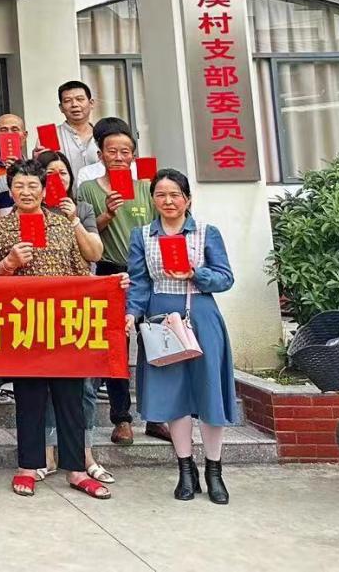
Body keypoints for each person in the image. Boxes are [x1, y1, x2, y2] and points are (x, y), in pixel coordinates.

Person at [0, 159, 109, 500]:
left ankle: (77, 470)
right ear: (10, 191)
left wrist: (110, 287)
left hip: (62, 324)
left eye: (33, 186)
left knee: (70, 398)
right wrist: (8, 264)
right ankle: (28, 467)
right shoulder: (0, 228)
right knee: (29, 397)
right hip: (23, 324)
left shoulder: (62, 225)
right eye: (19, 186)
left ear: (44, 190)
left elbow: (81, 273)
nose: (26, 192)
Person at [126, 169, 238, 505]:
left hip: (201, 315)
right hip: (160, 319)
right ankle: (185, 469)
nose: (168, 201)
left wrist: (195, 273)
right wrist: (131, 312)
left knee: (208, 392)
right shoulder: (142, 235)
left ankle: (214, 470)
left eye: (175, 194)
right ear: (152, 200)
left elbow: (225, 277)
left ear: (188, 199)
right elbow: (139, 281)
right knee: (173, 395)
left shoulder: (206, 232)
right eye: (161, 195)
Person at [79, 117, 153, 446]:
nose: (119, 157)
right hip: (109, 271)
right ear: (100, 155)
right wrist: (107, 214)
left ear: (134, 155)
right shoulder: (88, 189)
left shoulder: (147, 188)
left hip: (146, 273)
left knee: (155, 343)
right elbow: (84, 232)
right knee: (116, 347)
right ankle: (121, 418)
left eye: (125, 151)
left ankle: (157, 415)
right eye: (112, 151)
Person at [51, 80, 99, 182]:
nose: (74, 104)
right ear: (61, 108)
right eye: (67, 101)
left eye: (80, 99)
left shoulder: (104, 134)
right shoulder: (49, 135)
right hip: (66, 192)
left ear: (91, 103)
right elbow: (45, 173)